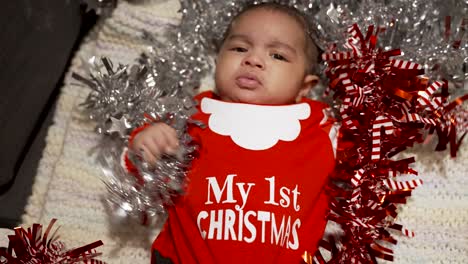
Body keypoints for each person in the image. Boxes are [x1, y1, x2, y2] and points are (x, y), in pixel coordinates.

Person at [127, 3, 339, 263]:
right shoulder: (193, 114)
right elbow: (142, 175)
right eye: (239, 48)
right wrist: (146, 143)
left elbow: (368, 155)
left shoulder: (318, 125)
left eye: (278, 56)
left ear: (305, 87)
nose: (253, 59)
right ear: (218, 61)